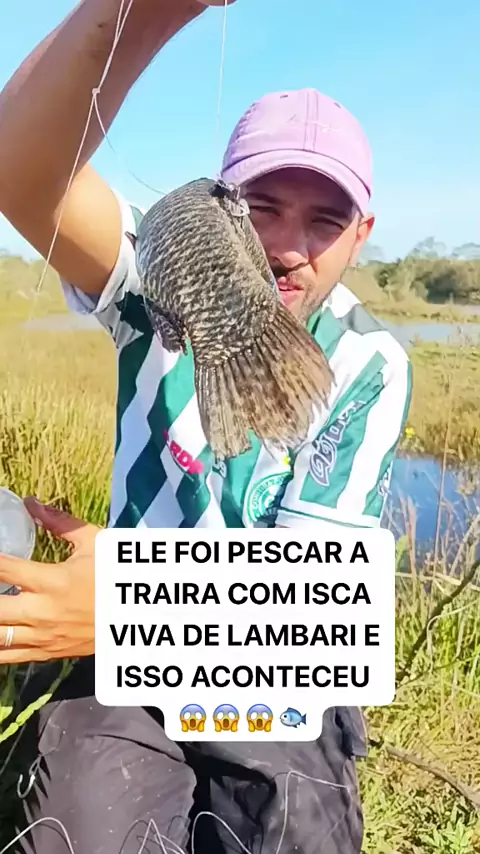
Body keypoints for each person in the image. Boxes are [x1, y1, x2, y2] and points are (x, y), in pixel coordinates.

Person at [0, 1, 412, 852]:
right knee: (79, 830)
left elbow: (321, 604)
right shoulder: (162, 277)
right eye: (262, 207)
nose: (288, 246)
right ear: (219, 212)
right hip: (130, 663)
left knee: (291, 829)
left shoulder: (372, 363)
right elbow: (20, 170)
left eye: (325, 221)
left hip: (275, 660)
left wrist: (124, 604)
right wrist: (137, 12)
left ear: (361, 235)